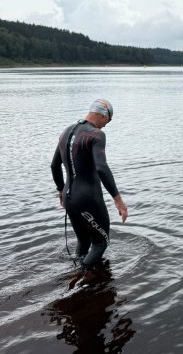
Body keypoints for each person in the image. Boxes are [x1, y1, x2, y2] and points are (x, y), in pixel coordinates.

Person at [51, 99, 128, 285]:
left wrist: (61, 191)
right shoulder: (96, 135)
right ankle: (81, 277)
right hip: (88, 199)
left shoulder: (66, 131)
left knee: (84, 242)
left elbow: (54, 166)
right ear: (102, 114)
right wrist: (118, 199)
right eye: (107, 120)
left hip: (69, 198)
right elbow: (101, 168)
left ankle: (80, 268)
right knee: (101, 242)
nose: (106, 125)